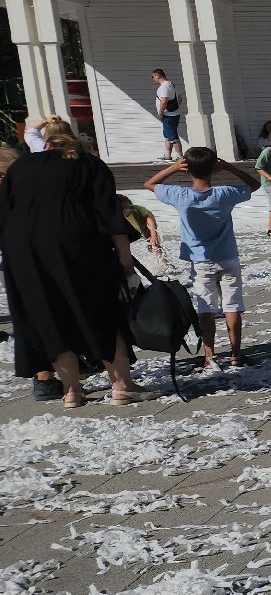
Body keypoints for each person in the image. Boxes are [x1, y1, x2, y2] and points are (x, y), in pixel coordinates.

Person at [0, 124, 160, 407]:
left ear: (45, 145)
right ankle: (122, 385)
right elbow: (110, 215)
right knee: (100, 309)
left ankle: (71, 391)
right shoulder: (89, 165)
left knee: (49, 315)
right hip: (75, 239)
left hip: (21, 246)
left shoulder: (22, 166)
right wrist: (126, 263)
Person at [145, 147, 261, 370]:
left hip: (200, 260)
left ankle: (210, 355)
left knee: (206, 307)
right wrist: (229, 167)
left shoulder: (180, 196)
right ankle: (236, 354)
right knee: (232, 305)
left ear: (187, 170)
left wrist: (173, 167)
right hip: (227, 256)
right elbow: (254, 185)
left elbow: (150, 184)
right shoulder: (225, 193)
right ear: (214, 169)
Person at [119, 195, 165, 263]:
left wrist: (154, 235)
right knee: (150, 245)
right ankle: (161, 261)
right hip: (140, 225)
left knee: (154, 244)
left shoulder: (135, 211)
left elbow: (150, 221)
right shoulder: (124, 213)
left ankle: (167, 263)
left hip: (149, 223)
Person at [154, 69, 184, 162]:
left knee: (172, 136)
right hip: (174, 113)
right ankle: (168, 155)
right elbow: (180, 97)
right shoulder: (171, 84)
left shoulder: (164, 86)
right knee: (167, 134)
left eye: (153, 76)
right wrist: (176, 107)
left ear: (157, 76)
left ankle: (180, 157)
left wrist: (161, 112)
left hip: (168, 114)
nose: (153, 79)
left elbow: (164, 101)